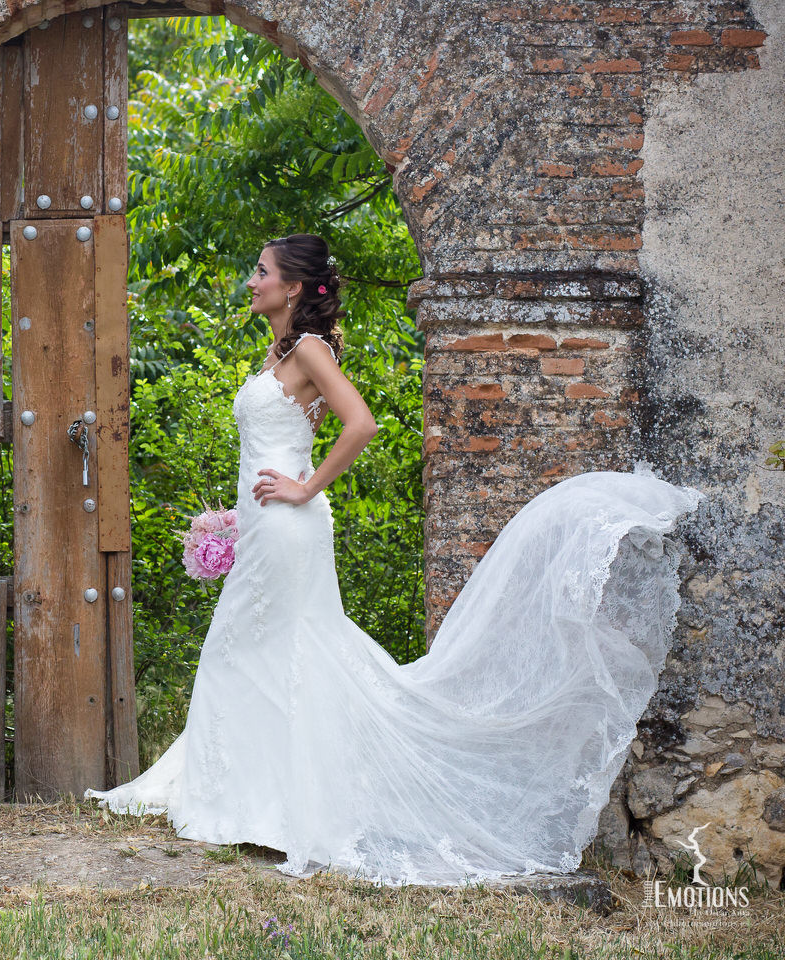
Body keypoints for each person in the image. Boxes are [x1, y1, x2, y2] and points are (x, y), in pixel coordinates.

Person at [85, 233, 706, 886]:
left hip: (291, 523)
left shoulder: (309, 349)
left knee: (273, 649)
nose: (250, 280)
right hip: (268, 528)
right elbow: (281, 446)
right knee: (254, 651)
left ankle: (271, 804)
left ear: (293, 287)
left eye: (260, 271)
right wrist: (238, 518)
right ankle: (253, 796)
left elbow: (362, 424)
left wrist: (303, 489)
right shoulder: (278, 353)